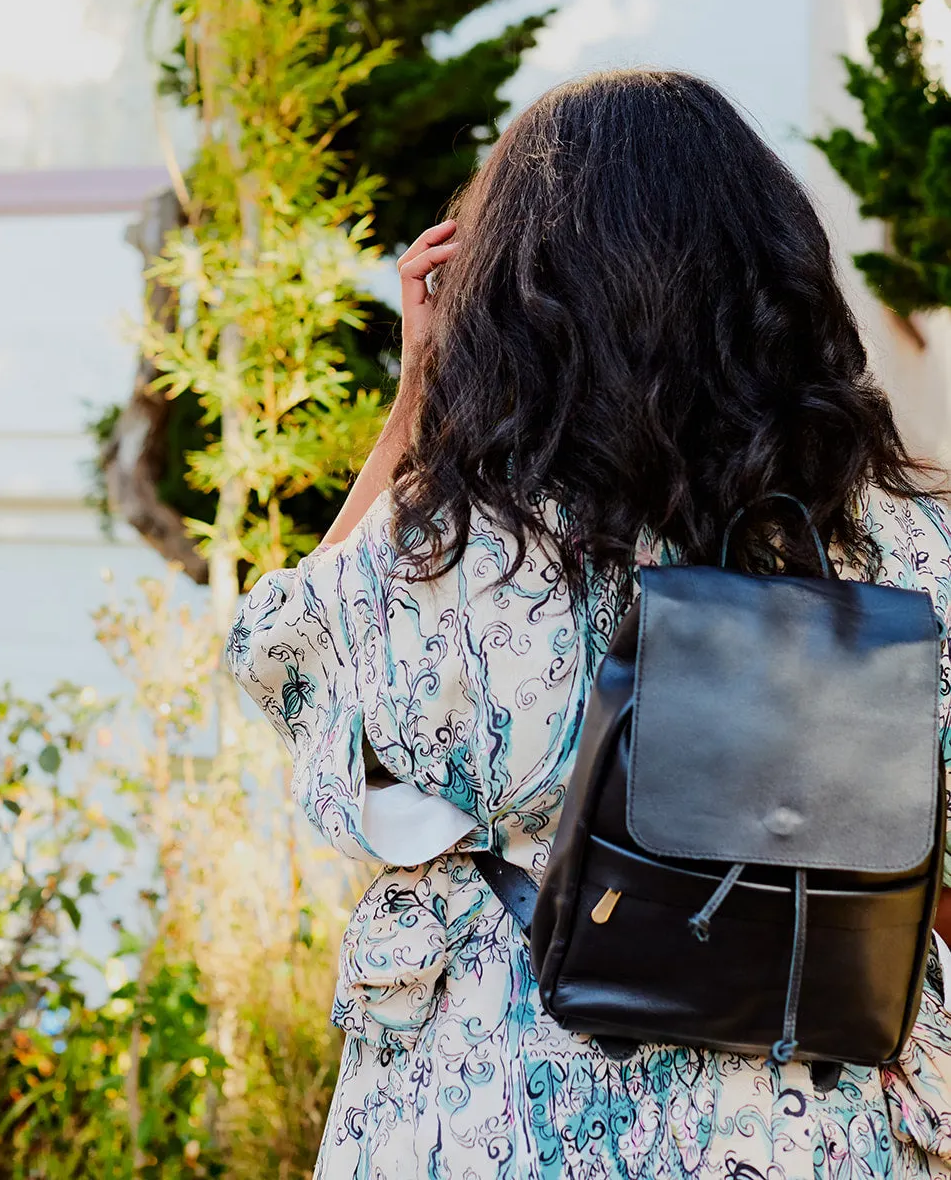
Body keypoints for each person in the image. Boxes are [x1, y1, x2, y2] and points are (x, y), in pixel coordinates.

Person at [227, 69, 951, 1179]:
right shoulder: (900, 547)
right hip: (821, 1102)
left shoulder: (460, 546)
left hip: (504, 1099)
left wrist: (415, 395)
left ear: (520, 287)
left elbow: (283, 655)